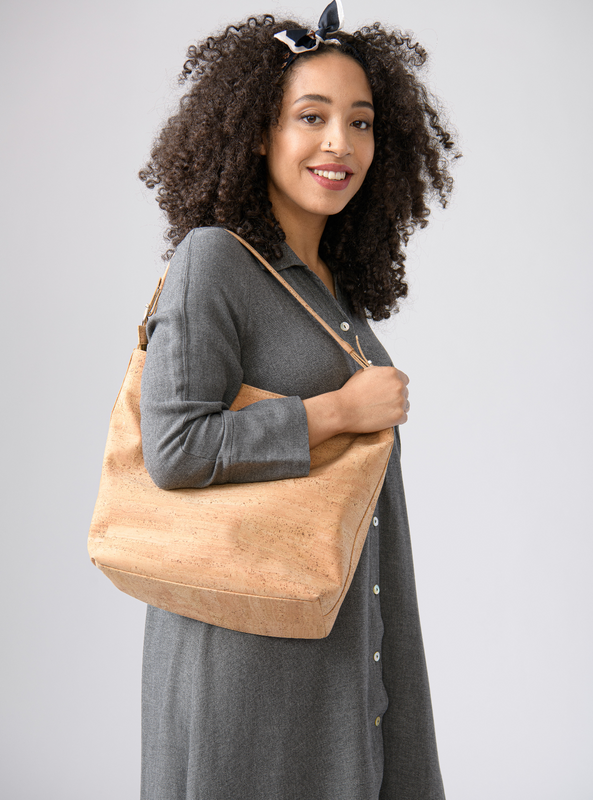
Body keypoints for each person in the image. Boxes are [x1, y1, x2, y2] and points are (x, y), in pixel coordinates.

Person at [138, 3, 458, 798]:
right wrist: (339, 413)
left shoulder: (330, 291)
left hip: (351, 648)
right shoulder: (214, 260)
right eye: (310, 117)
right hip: (249, 667)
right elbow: (174, 451)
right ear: (257, 132)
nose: (339, 144)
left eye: (361, 121)